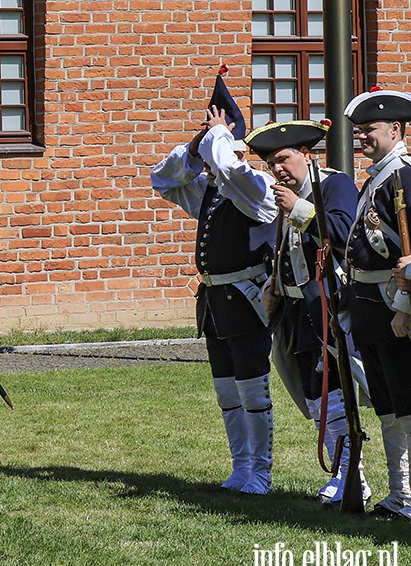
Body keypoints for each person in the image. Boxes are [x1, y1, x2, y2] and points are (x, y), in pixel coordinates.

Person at [150, 71, 278, 495]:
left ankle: (259, 471)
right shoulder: (210, 189)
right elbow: (162, 179)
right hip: (215, 297)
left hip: (247, 297)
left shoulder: (258, 187)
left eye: (213, 149)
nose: (208, 162)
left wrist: (220, 135)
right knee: (226, 390)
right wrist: (192, 146)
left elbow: (229, 169)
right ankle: (241, 466)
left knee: (252, 387)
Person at [245, 120, 371, 505]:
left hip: (329, 306)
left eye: (283, 159)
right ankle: (343, 472)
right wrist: (275, 286)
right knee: (317, 398)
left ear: (306, 154)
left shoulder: (333, 185)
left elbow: (343, 231)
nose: (278, 169)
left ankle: (351, 474)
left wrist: (299, 208)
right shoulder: (292, 195)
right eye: (271, 163)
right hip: (299, 310)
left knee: (335, 394)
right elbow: (290, 252)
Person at [343, 87, 411, 519]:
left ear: (396, 129)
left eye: (369, 130)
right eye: (359, 131)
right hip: (371, 305)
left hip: (394, 308)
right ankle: (399, 493)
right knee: (386, 402)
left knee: (405, 399)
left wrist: (405, 306)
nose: (362, 138)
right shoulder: (379, 178)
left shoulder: (405, 177)